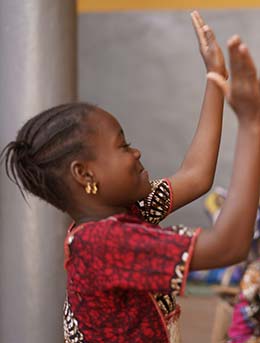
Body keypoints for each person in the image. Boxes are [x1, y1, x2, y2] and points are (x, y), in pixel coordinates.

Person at [1, 10, 260, 343]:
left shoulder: (127, 213)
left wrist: (214, 75)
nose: (135, 153)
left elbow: (195, 176)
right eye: (122, 145)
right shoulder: (104, 243)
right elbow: (228, 247)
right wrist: (251, 124)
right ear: (85, 174)